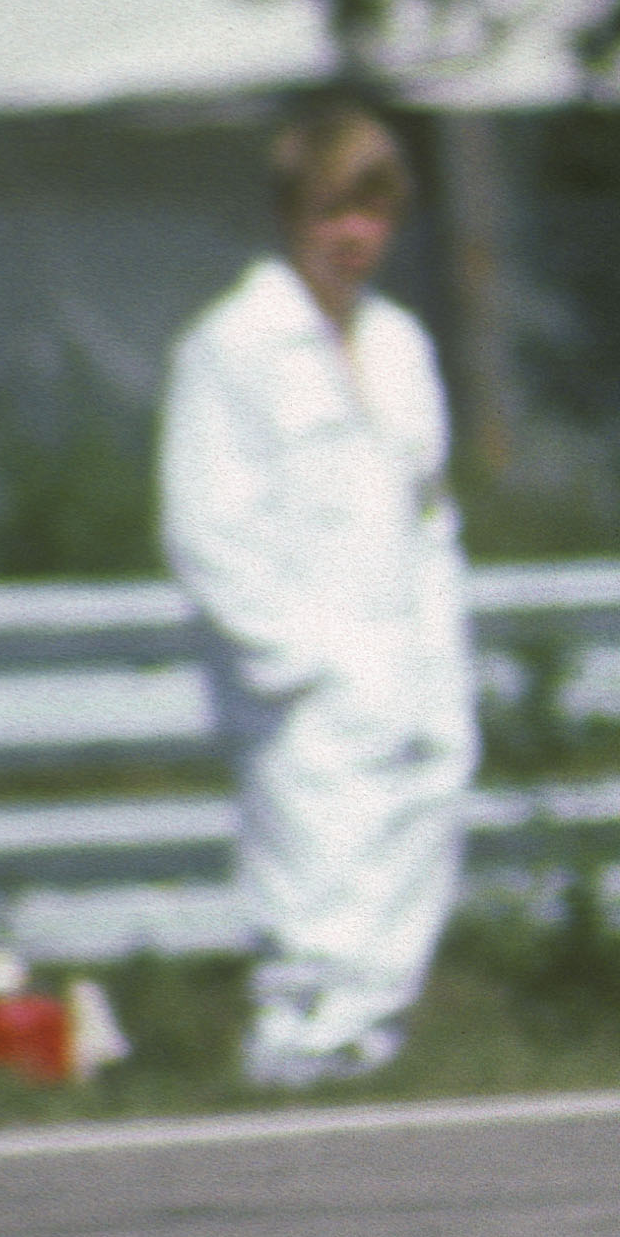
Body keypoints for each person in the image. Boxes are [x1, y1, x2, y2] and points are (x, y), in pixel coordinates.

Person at [157, 102, 475, 1088]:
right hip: (303, 680)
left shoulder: (400, 345)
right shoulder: (235, 346)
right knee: (314, 890)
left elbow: (430, 516)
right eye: (333, 212)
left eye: (373, 214)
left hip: (411, 660)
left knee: (407, 878)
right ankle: (293, 1063)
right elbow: (205, 529)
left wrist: (437, 663)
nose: (354, 236)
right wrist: (297, 665)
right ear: (292, 215)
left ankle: (369, 1059)